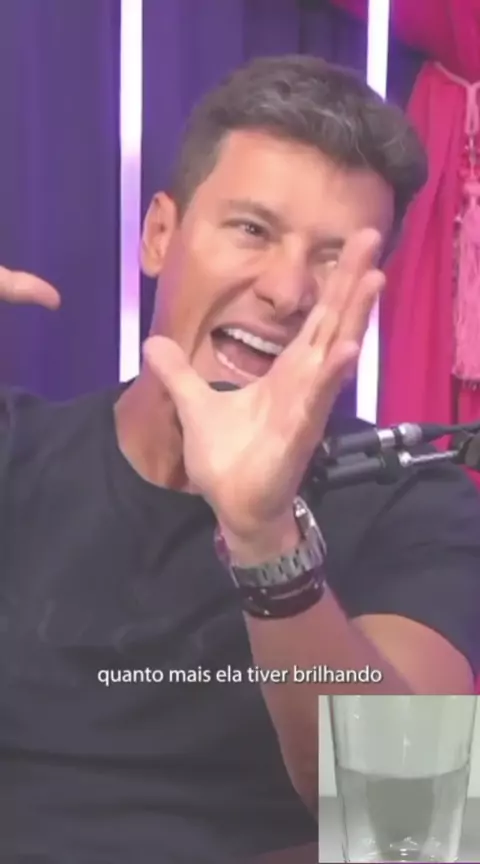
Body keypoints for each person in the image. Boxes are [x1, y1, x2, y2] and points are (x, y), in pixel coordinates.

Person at [1, 54, 479, 864]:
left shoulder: (415, 501)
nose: (288, 291)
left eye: (334, 260)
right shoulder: (17, 452)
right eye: (253, 230)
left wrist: (265, 536)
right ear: (160, 235)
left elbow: (409, 827)